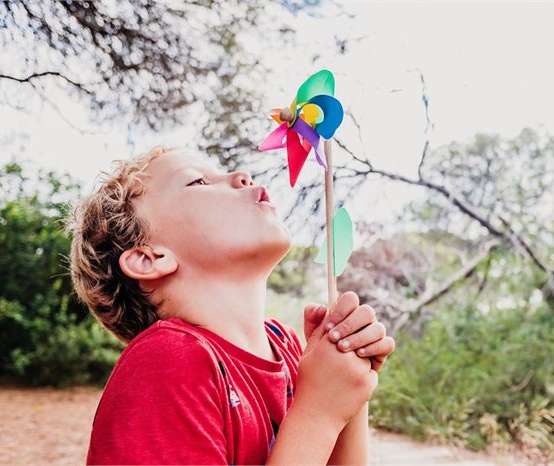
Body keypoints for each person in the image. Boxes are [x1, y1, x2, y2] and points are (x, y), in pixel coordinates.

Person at [68, 147, 396, 465]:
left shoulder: (287, 347)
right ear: (149, 258)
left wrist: (348, 386)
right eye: (198, 181)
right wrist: (318, 411)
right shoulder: (167, 360)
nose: (242, 176)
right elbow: (317, 420)